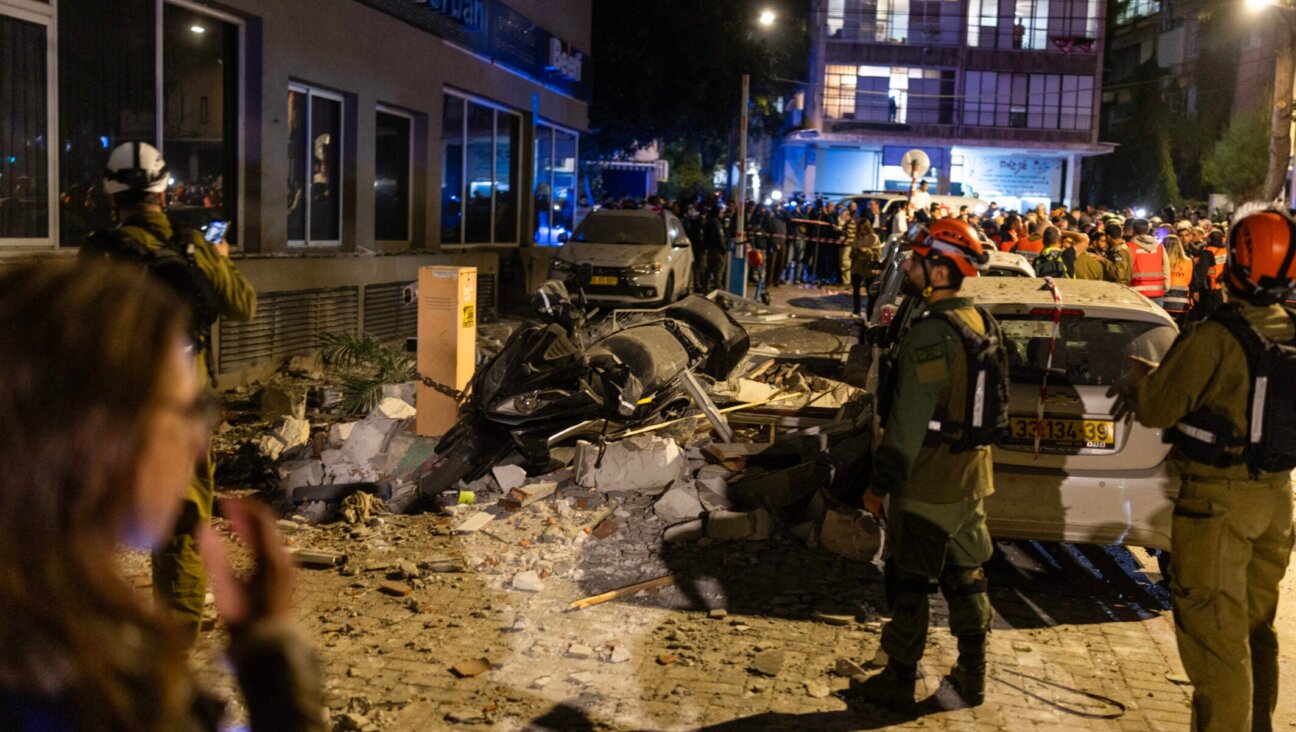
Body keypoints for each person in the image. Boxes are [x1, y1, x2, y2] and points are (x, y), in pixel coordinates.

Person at [0, 261, 323, 730]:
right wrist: (273, 657)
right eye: (189, 410)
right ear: (95, 439)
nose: (202, 442)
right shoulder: (95, 691)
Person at [1111, 207, 1296, 731]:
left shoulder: (1217, 334)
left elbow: (1157, 408)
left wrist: (1145, 381)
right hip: (1275, 501)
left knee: (1217, 644)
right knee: (1255, 630)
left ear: (1235, 263)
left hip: (1217, 506)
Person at [81, 141, 257, 643]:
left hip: (117, 404)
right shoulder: (192, 245)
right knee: (182, 518)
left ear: (111, 194)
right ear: (165, 191)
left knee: (95, 513)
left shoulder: (99, 250)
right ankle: (174, 640)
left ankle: (88, 630)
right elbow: (243, 305)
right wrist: (221, 259)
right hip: (182, 407)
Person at [855, 219, 1001, 712]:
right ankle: (973, 675)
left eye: (917, 260)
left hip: (928, 482)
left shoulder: (933, 336)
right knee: (967, 575)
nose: (909, 266)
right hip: (972, 478)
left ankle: (898, 679)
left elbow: (909, 425)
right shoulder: (982, 321)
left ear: (940, 270)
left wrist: (878, 486)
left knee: (909, 581)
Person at [1129, 218, 1170, 306]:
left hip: (1136, 292)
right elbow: (1166, 267)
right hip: (1157, 292)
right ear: (1148, 230)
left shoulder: (1129, 247)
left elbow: (1126, 269)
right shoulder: (1159, 247)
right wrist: (1166, 285)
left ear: (1133, 230)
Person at [851, 218, 881, 316]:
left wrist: (867, 251)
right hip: (858, 266)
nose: (862, 231)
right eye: (860, 228)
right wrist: (856, 251)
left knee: (870, 292)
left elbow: (877, 254)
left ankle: (870, 313)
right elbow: (852, 253)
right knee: (856, 290)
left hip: (869, 267)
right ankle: (856, 310)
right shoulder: (857, 238)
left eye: (864, 228)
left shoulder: (873, 238)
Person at [1163, 234, 1193, 321]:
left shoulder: (1162, 261)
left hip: (1164, 302)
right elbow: (1191, 281)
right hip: (1182, 303)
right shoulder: (1188, 261)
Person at [1105, 220, 1133, 286]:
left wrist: (1103, 261)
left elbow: (1119, 274)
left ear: (1108, 237)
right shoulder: (1121, 248)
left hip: (1119, 287)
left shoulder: (1119, 250)